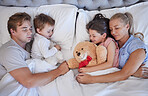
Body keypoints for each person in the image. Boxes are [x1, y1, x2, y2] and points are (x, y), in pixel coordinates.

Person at [0, 12, 69, 88]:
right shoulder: (10, 51)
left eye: (30, 28)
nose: (30, 32)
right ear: (13, 31)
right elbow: (28, 82)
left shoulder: (29, 45)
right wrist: (59, 71)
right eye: (24, 29)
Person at [76, 12, 148, 84]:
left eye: (117, 28)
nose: (113, 32)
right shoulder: (113, 42)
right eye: (111, 29)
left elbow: (124, 74)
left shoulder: (137, 47)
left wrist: (91, 79)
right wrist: (133, 72)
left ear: (127, 27)